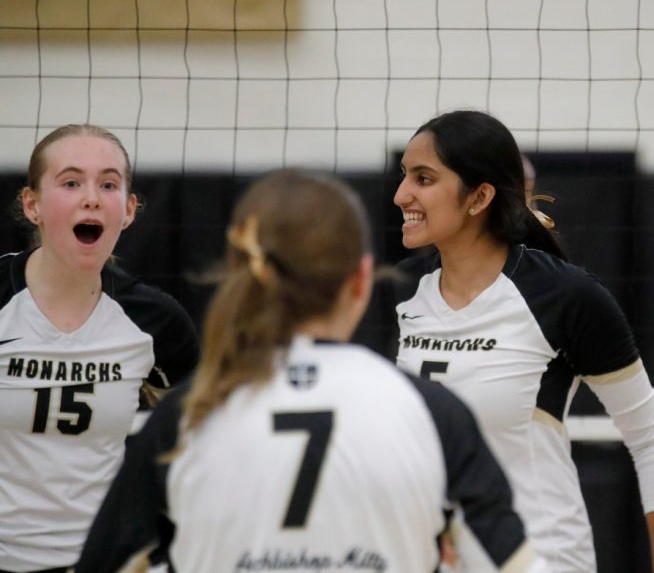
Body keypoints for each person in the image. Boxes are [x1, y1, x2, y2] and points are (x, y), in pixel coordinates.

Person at [78, 169, 546, 573]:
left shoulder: (189, 413)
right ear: (362, 280)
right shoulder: (433, 414)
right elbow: (513, 562)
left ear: (242, 276)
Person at [392, 110, 654, 572]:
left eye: (423, 178)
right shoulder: (398, 293)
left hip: (543, 557)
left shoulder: (564, 295)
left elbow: (653, 441)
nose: (400, 194)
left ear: (479, 197)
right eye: (404, 176)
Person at [0, 124, 198, 573]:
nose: (91, 197)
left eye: (108, 184)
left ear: (128, 210)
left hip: (109, 560)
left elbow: (194, 442)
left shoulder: (155, 321)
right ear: (32, 204)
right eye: (71, 182)